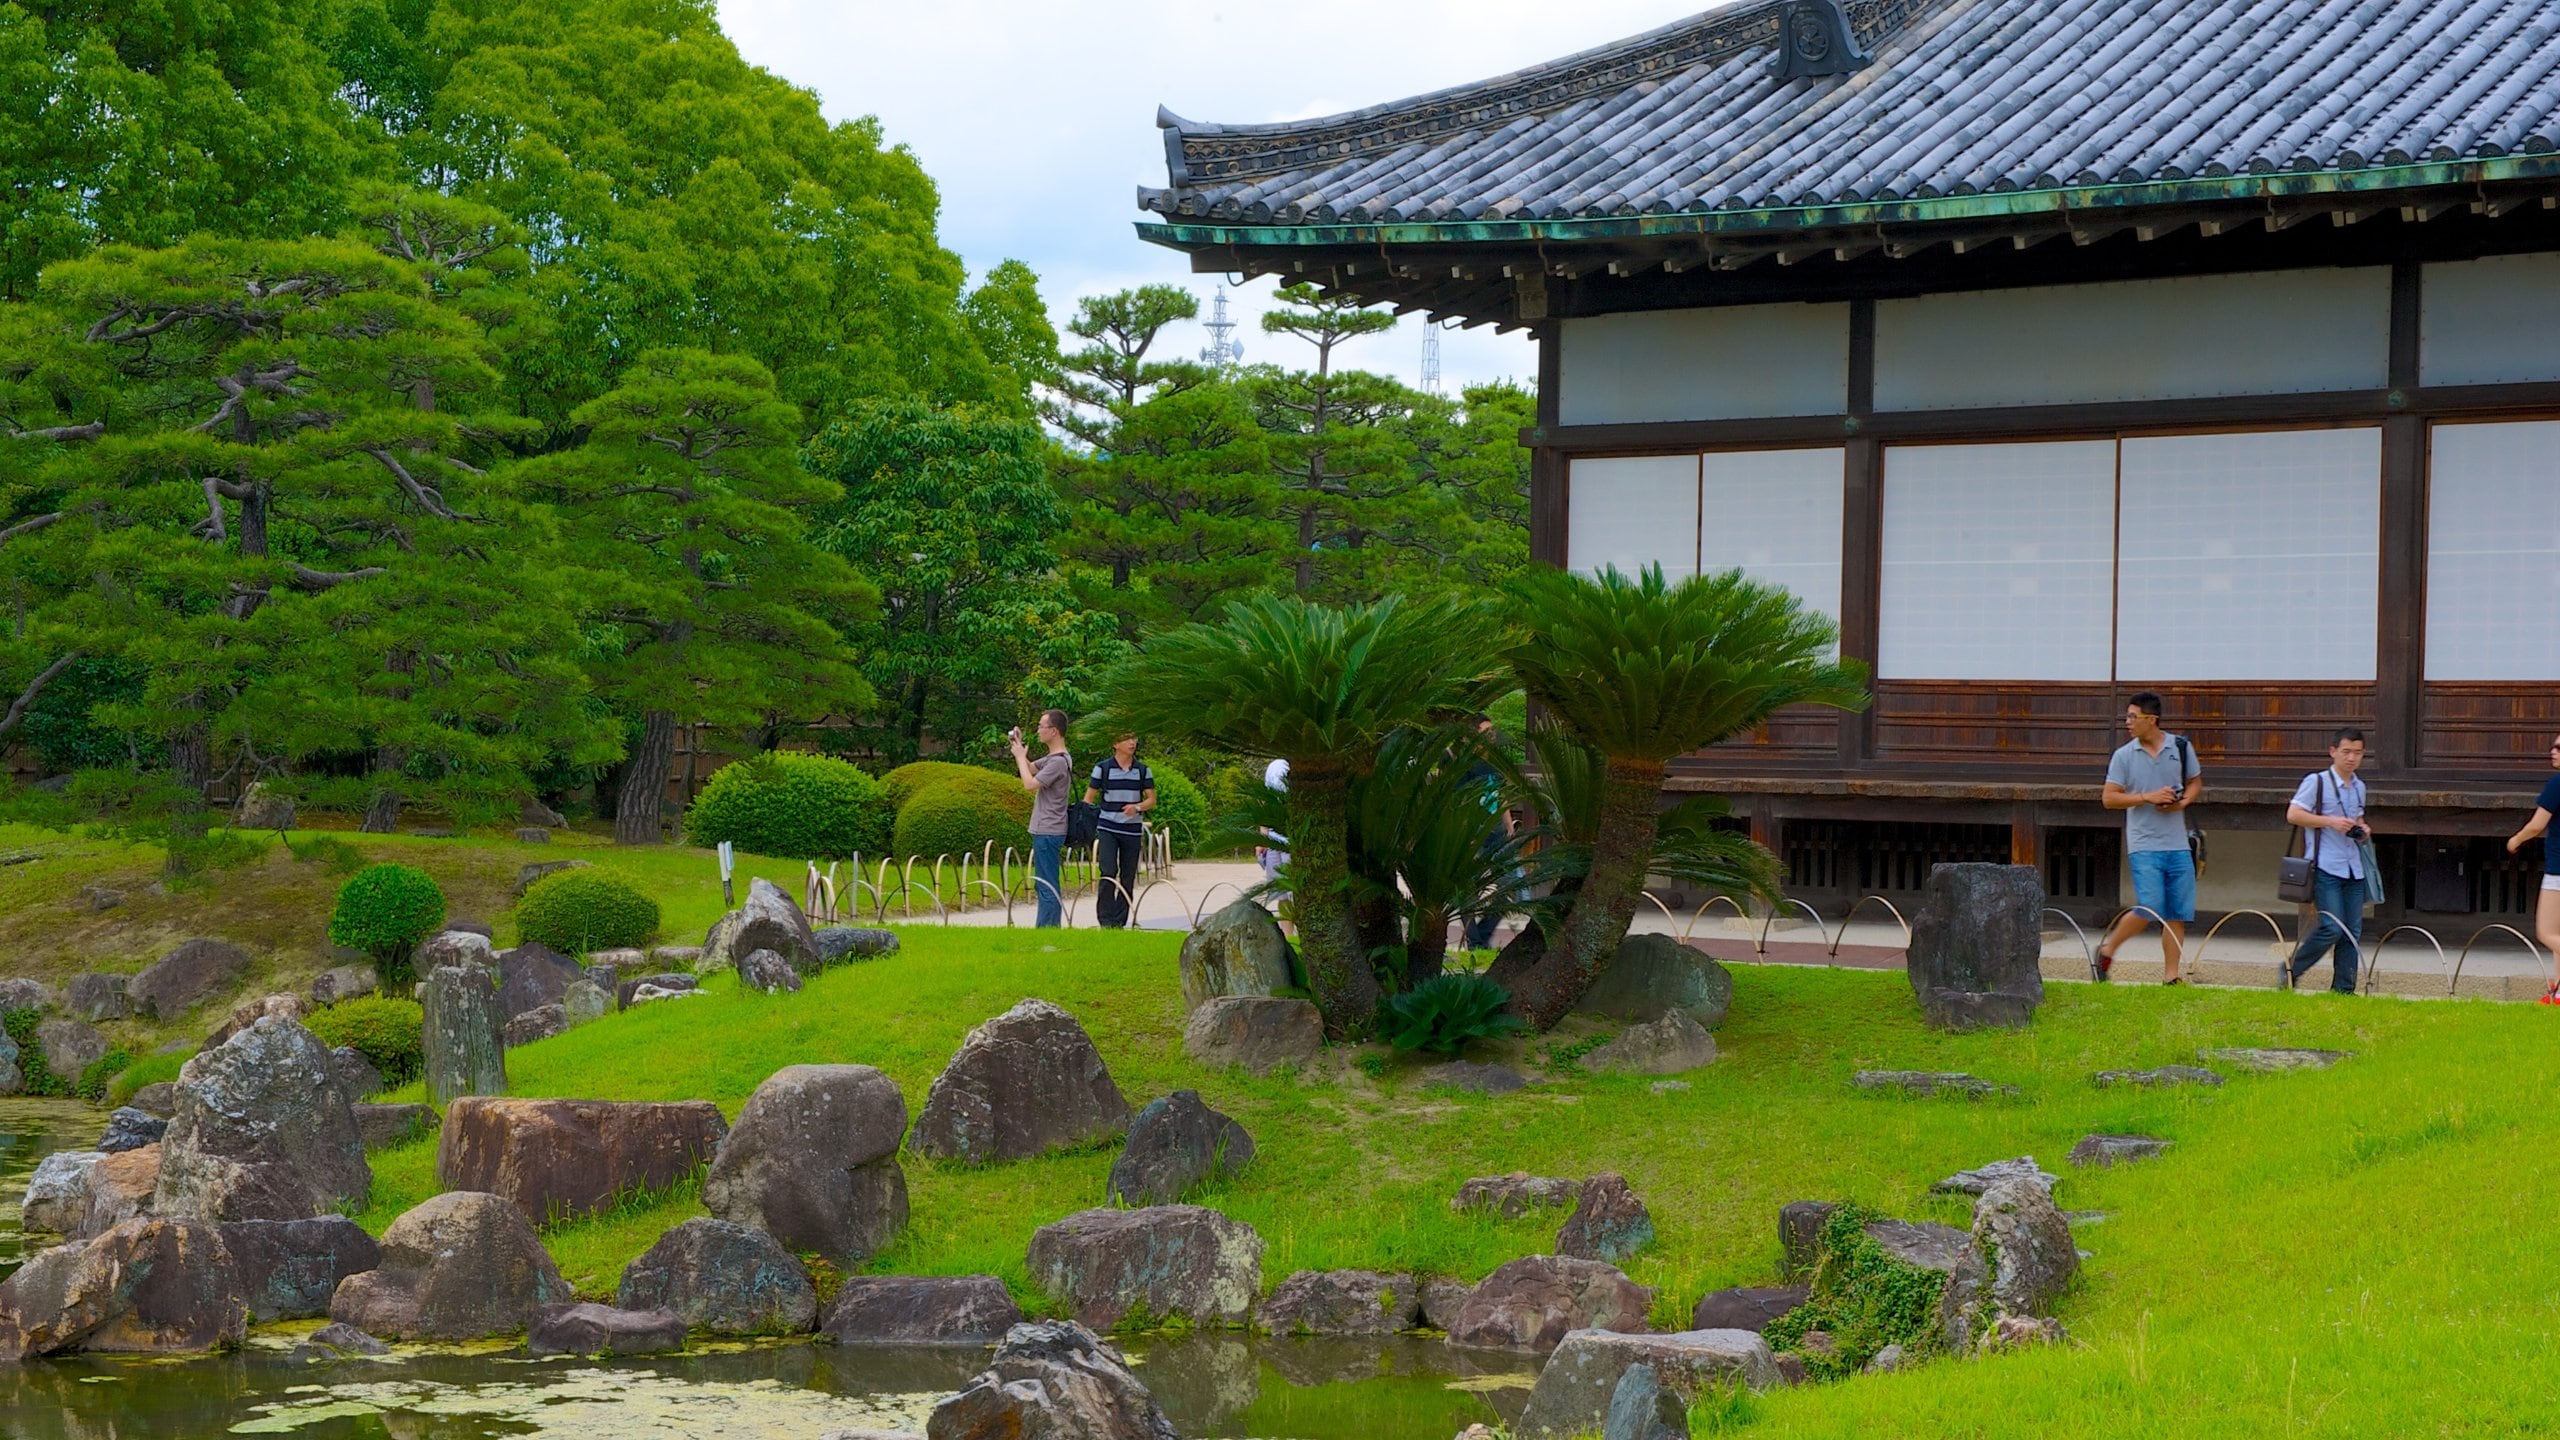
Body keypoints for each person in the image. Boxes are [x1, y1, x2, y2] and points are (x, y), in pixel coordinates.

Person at [2095, 692, 2203, 984]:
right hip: (2144, 844)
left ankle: (2171, 977)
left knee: (2176, 912)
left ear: (2151, 719)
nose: (2128, 722)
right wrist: (2146, 797)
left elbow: (2195, 782)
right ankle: (2107, 949)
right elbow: (2109, 798)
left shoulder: (2180, 747)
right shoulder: (2124, 756)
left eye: (2134, 717)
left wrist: (2182, 803)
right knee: (2151, 905)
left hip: (2178, 843)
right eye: (2127, 717)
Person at [2284, 727, 2373, 994]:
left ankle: (2344, 989)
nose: (2351, 758)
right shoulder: (2317, 781)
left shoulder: (2359, 786)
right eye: (2346, 752)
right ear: (2333, 751)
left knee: (2351, 932)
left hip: (2353, 867)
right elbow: (2294, 814)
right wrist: (2330, 822)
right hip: (2325, 865)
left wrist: (2363, 828)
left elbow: (2357, 818)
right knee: (2331, 927)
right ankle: (2290, 970)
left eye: (2357, 753)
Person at [2502, 732, 2560, 1005]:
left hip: (2558, 871)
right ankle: (2559, 991)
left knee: (2546, 933)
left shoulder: (2557, 784)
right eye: (2554, 745)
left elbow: (2537, 825)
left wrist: (2516, 839)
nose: (2554, 750)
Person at [1084, 732, 1156, 929]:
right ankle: (1105, 919)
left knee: (1128, 875)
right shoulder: (1103, 768)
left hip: (1132, 829)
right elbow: (1088, 798)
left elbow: (1151, 799)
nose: (1132, 743)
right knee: (1108, 870)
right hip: (1108, 826)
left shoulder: (1142, 770)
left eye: (1134, 738)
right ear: (1115, 744)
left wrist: (1137, 807)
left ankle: (1120, 920)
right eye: (1126, 739)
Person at [1010, 708, 1073, 928]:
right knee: (1045, 883)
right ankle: (1048, 928)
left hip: (1049, 829)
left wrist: (1019, 758)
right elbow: (1030, 768)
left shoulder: (1058, 762)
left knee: (1046, 884)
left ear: (1054, 731)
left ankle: (1047, 929)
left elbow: (1029, 784)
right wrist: (1019, 749)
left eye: (1041, 726)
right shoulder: (1055, 758)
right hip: (1046, 828)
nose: (1038, 730)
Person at [1459, 716, 1516, 951]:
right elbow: (1460, 802)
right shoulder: (1464, 764)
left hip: (1498, 833)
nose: (1491, 734)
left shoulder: (1495, 762)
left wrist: (1510, 825)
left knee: (1510, 885)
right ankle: (1475, 941)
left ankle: (1481, 935)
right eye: (1485, 730)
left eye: (1492, 730)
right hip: (1475, 834)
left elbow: (1501, 795)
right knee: (1468, 891)